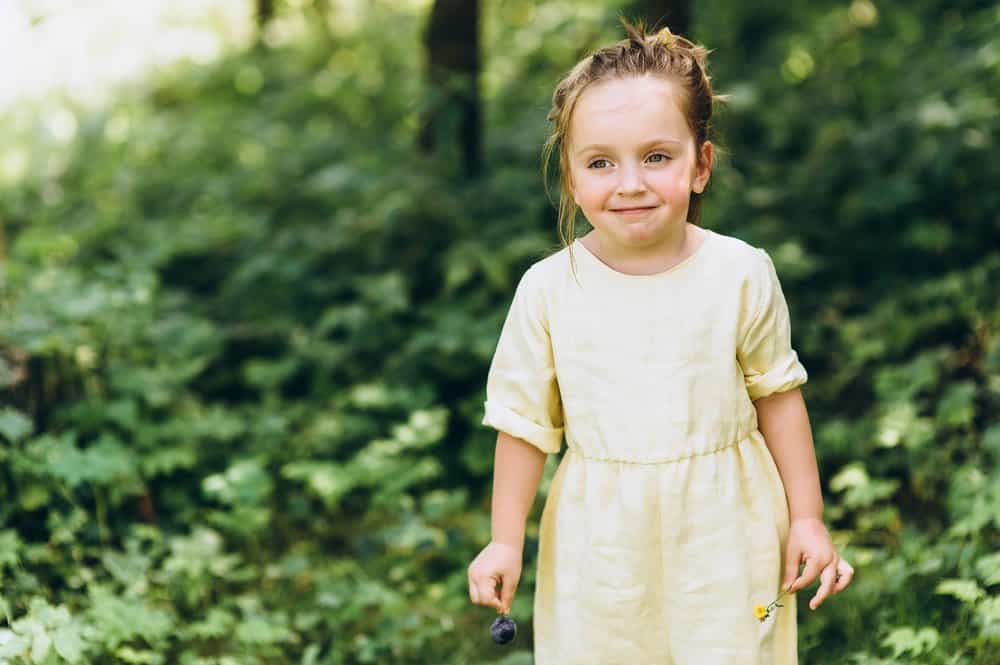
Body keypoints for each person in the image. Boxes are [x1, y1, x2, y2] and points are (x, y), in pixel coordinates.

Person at [467, 16, 855, 665]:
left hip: (728, 533)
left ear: (699, 164)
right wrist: (506, 540)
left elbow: (779, 397)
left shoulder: (738, 272)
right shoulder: (549, 290)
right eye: (599, 162)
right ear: (570, 177)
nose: (629, 183)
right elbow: (524, 425)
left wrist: (808, 516)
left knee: (737, 645)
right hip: (600, 543)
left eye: (656, 156)